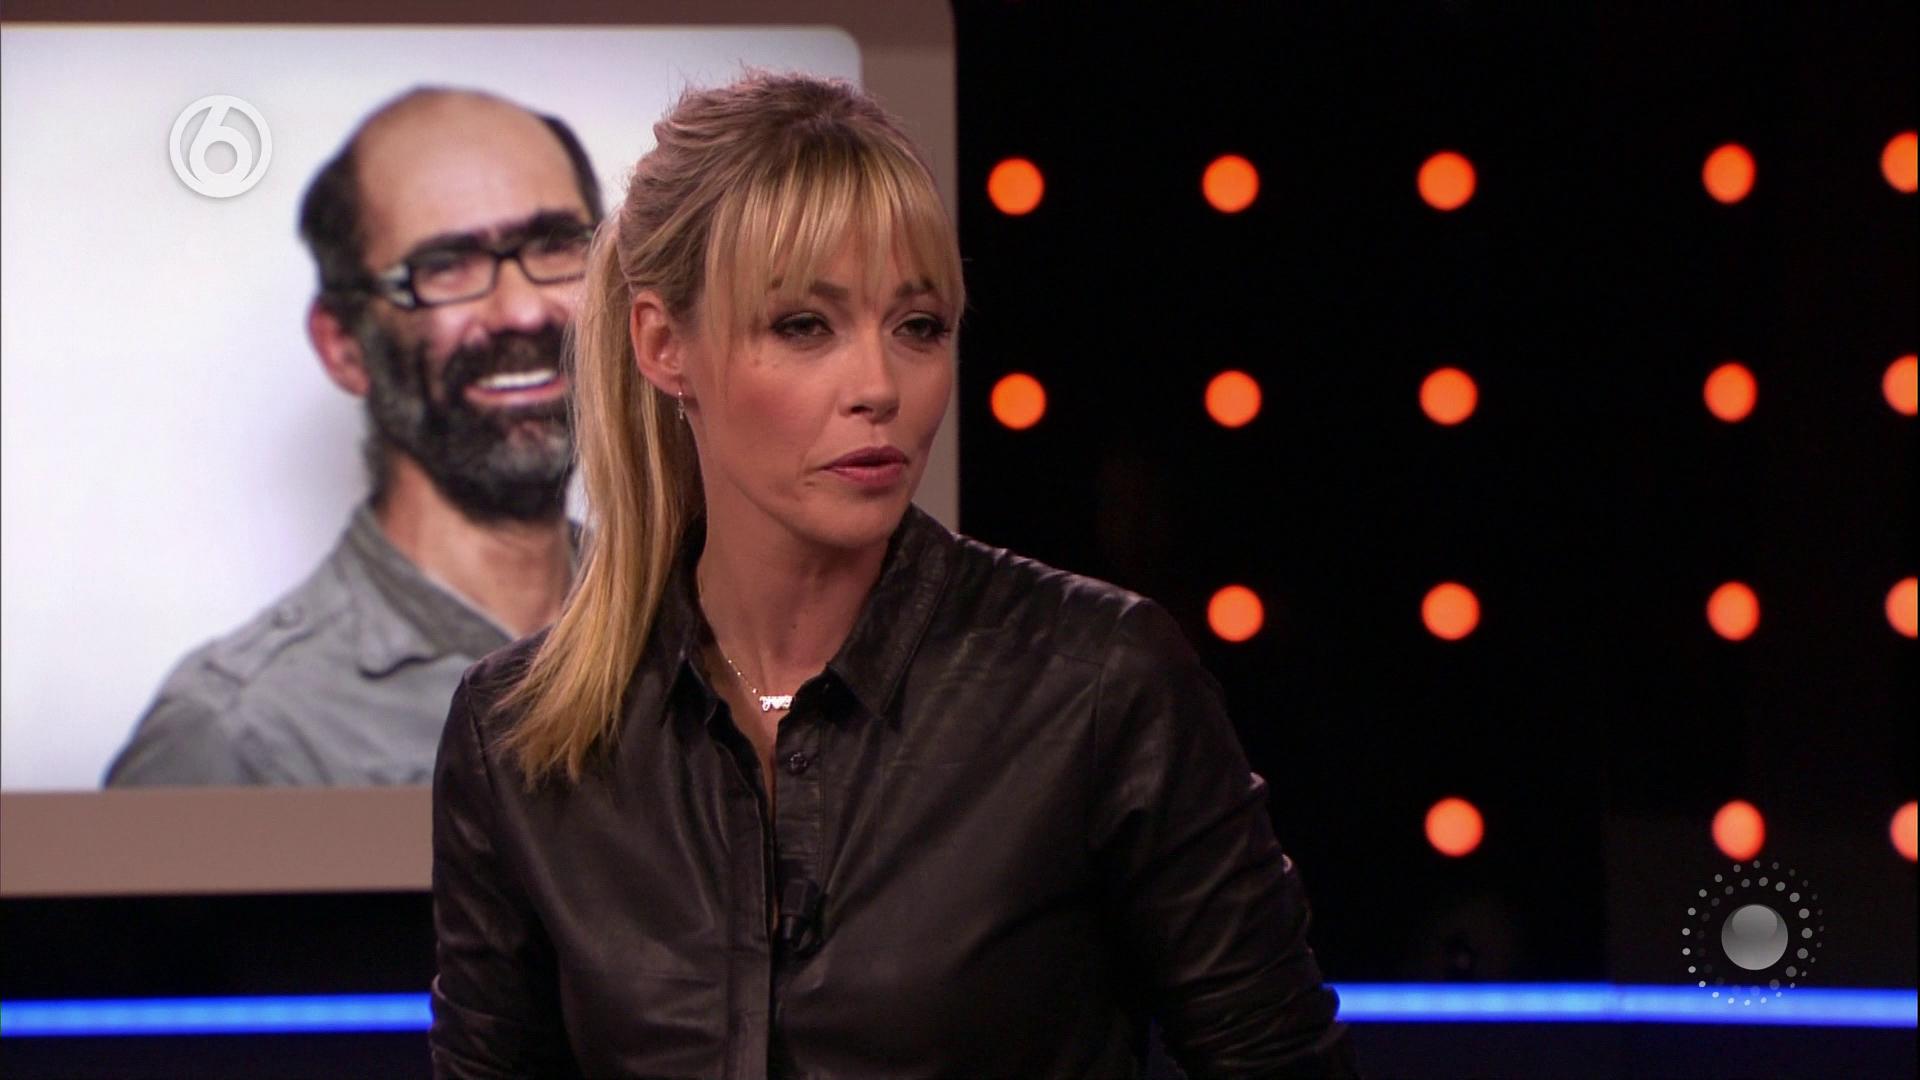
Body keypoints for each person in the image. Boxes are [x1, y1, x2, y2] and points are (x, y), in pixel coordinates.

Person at [431, 72, 1358, 1078]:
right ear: (663, 345)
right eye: (804, 326)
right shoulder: (518, 734)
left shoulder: (1097, 685)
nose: (878, 387)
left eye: (919, 327)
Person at [105, 88, 601, 787]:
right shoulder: (237, 737)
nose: (521, 311)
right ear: (343, 345)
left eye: (555, 246)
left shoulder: (703, 630)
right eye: (445, 266)